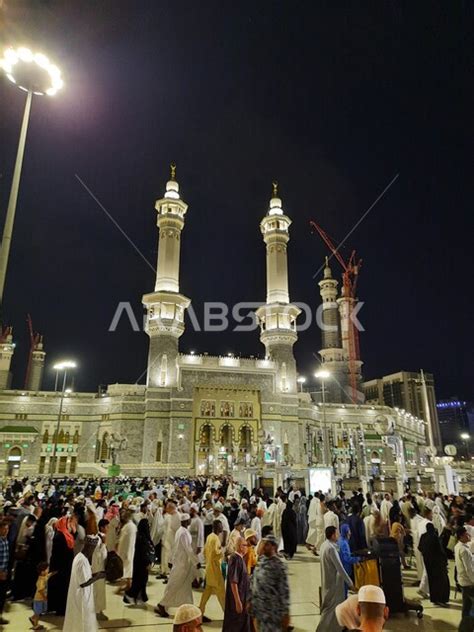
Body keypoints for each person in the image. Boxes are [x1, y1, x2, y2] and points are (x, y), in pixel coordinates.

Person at [156, 513, 199, 618]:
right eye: (189, 520)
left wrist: (171, 560)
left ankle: (188, 608)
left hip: (182, 563)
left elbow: (175, 547)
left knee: (185, 588)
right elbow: (187, 549)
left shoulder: (180, 531)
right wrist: (196, 562)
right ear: (186, 522)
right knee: (174, 586)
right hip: (181, 565)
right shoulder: (183, 533)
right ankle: (162, 604)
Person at [63, 535, 105, 632]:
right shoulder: (81, 561)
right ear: (88, 547)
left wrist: (99, 573)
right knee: (82, 622)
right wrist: (98, 576)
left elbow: (87, 575)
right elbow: (84, 583)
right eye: (92, 549)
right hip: (81, 598)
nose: (92, 551)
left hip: (84, 596)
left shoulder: (81, 557)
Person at [316, 526, 354, 632]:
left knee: (333, 610)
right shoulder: (331, 549)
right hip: (333, 585)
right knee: (328, 611)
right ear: (333, 535)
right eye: (337, 533)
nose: (338, 535)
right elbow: (340, 568)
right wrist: (350, 583)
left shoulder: (324, 545)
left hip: (326, 582)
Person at [250, 534, 290, 631]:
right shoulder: (261, 563)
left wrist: (286, 615)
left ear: (273, 547)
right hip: (260, 613)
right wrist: (251, 603)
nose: (263, 546)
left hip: (273, 615)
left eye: (267, 544)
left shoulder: (278, 566)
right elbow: (253, 584)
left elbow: (284, 592)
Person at [48, 514, 77, 615]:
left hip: (66, 567)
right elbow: (56, 554)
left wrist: (74, 531)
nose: (69, 524)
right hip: (61, 568)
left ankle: (62, 608)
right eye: (67, 523)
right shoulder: (59, 536)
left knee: (64, 588)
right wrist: (53, 568)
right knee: (61, 589)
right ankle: (60, 609)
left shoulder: (65, 535)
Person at [199, 520, 225, 622]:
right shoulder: (215, 539)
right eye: (221, 526)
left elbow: (205, 552)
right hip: (215, 570)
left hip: (209, 569)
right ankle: (228, 615)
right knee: (222, 594)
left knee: (206, 593)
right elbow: (215, 554)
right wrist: (223, 553)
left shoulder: (209, 537)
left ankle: (200, 613)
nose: (222, 527)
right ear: (216, 527)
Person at [223, 536, 251, 632]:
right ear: (240, 546)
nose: (247, 547)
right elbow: (233, 582)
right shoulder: (235, 559)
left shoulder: (240, 559)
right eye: (245, 545)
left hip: (242, 599)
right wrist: (237, 601)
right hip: (237, 600)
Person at [124, 517, 154, 605]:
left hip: (138, 563)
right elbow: (144, 553)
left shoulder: (139, 536)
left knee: (140, 581)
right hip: (142, 564)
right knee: (140, 581)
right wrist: (147, 563)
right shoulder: (142, 538)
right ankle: (130, 595)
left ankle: (141, 597)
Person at [418, 522, 450, 605]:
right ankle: (441, 599)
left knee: (431, 580)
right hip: (437, 563)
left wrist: (426, 554)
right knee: (440, 581)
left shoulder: (423, 536)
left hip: (427, 562)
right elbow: (440, 550)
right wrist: (445, 561)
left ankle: (434, 598)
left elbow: (420, 547)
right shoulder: (434, 537)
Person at [454, 526, 474, 632]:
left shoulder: (458, 546)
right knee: (471, 608)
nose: (469, 535)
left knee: (467, 606)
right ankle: (466, 628)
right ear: (461, 536)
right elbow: (469, 570)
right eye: (466, 534)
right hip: (469, 583)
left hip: (463, 581)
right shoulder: (464, 550)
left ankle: (464, 628)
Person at [29, 561, 55, 630]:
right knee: (37, 613)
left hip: (41, 599)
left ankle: (32, 618)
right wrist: (44, 597)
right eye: (47, 569)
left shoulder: (44, 577)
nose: (48, 570)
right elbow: (40, 590)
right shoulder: (41, 580)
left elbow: (48, 575)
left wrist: (53, 573)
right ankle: (35, 625)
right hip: (38, 599)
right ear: (42, 571)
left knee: (38, 611)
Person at [117, 509, 137, 592]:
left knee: (126, 568)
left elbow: (127, 540)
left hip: (127, 550)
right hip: (125, 549)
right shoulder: (128, 525)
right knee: (127, 568)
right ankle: (128, 585)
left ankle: (127, 586)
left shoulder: (130, 526)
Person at [338, 524, 361, 595]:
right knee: (344, 590)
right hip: (345, 568)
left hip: (340, 568)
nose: (350, 533)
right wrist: (357, 559)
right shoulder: (344, 543)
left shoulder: (340, 540)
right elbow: (347, 558)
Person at [0, 521, 10, 625]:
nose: (6, 531)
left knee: (2, 597)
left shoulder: (5, 540)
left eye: (7, 529)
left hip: (4, 572)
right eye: (4, 529)